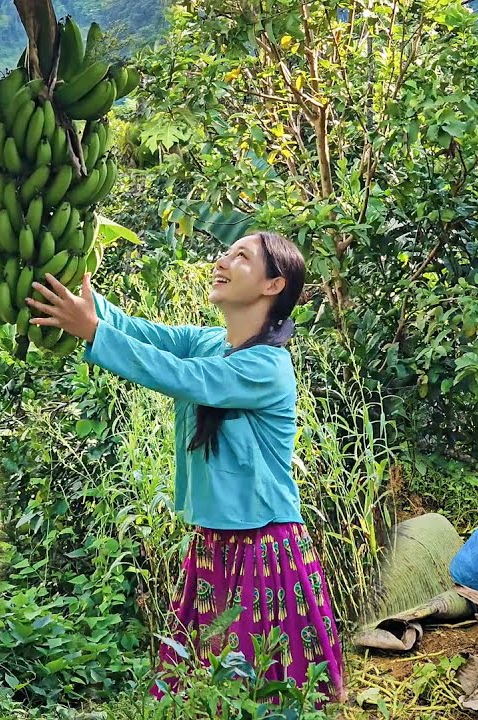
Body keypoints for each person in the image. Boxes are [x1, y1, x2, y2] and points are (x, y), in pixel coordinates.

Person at [26, 231, 346, 705]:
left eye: (242, 256)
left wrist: (93, 332)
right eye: (227, 251)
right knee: (207, 682)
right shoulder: (210, 342)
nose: (223, 260)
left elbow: (184, 378)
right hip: (214, 538)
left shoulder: (268, 367)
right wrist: (82, 291)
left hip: (263, 543)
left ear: (272, 286)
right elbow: (144, 335)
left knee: (263, 685)